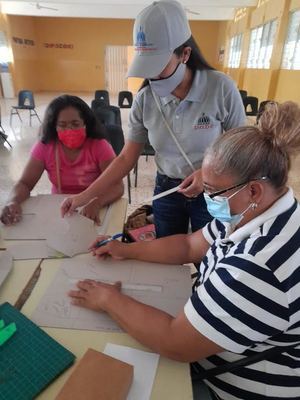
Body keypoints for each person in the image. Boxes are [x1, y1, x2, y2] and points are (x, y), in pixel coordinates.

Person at [69, 101, 300, 400]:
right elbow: (188, 245)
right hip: (218, 345)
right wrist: (126, 250)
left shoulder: (259, 264)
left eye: (212, 190)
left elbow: (175, 343)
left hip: (237, 387)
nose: (207, 199)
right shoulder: (259, 211)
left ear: (253, 190)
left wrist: (108, 299)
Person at [61, 0, 246, 238]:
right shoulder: (145, 100)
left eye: (160, 66)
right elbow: (126, 157)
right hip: (168, 190)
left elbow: (242, 149)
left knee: (209, 254)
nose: (153, 77)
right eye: (148, 67)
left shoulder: (221, 88)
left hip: (213, 190)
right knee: (166, 250)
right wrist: (84, 196)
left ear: (185, 54)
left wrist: (207, 176)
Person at [0, 95, 124, 225]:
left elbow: (118, 187)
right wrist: (13, 201)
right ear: (54, 126)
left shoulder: (100, 146)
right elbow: (24, 183)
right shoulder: (45, 147)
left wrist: (97, 203)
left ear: (85, 123)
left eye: (75, 124)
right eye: (62, 125)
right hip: (61, 209)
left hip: (93, 207)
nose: (69, 130)